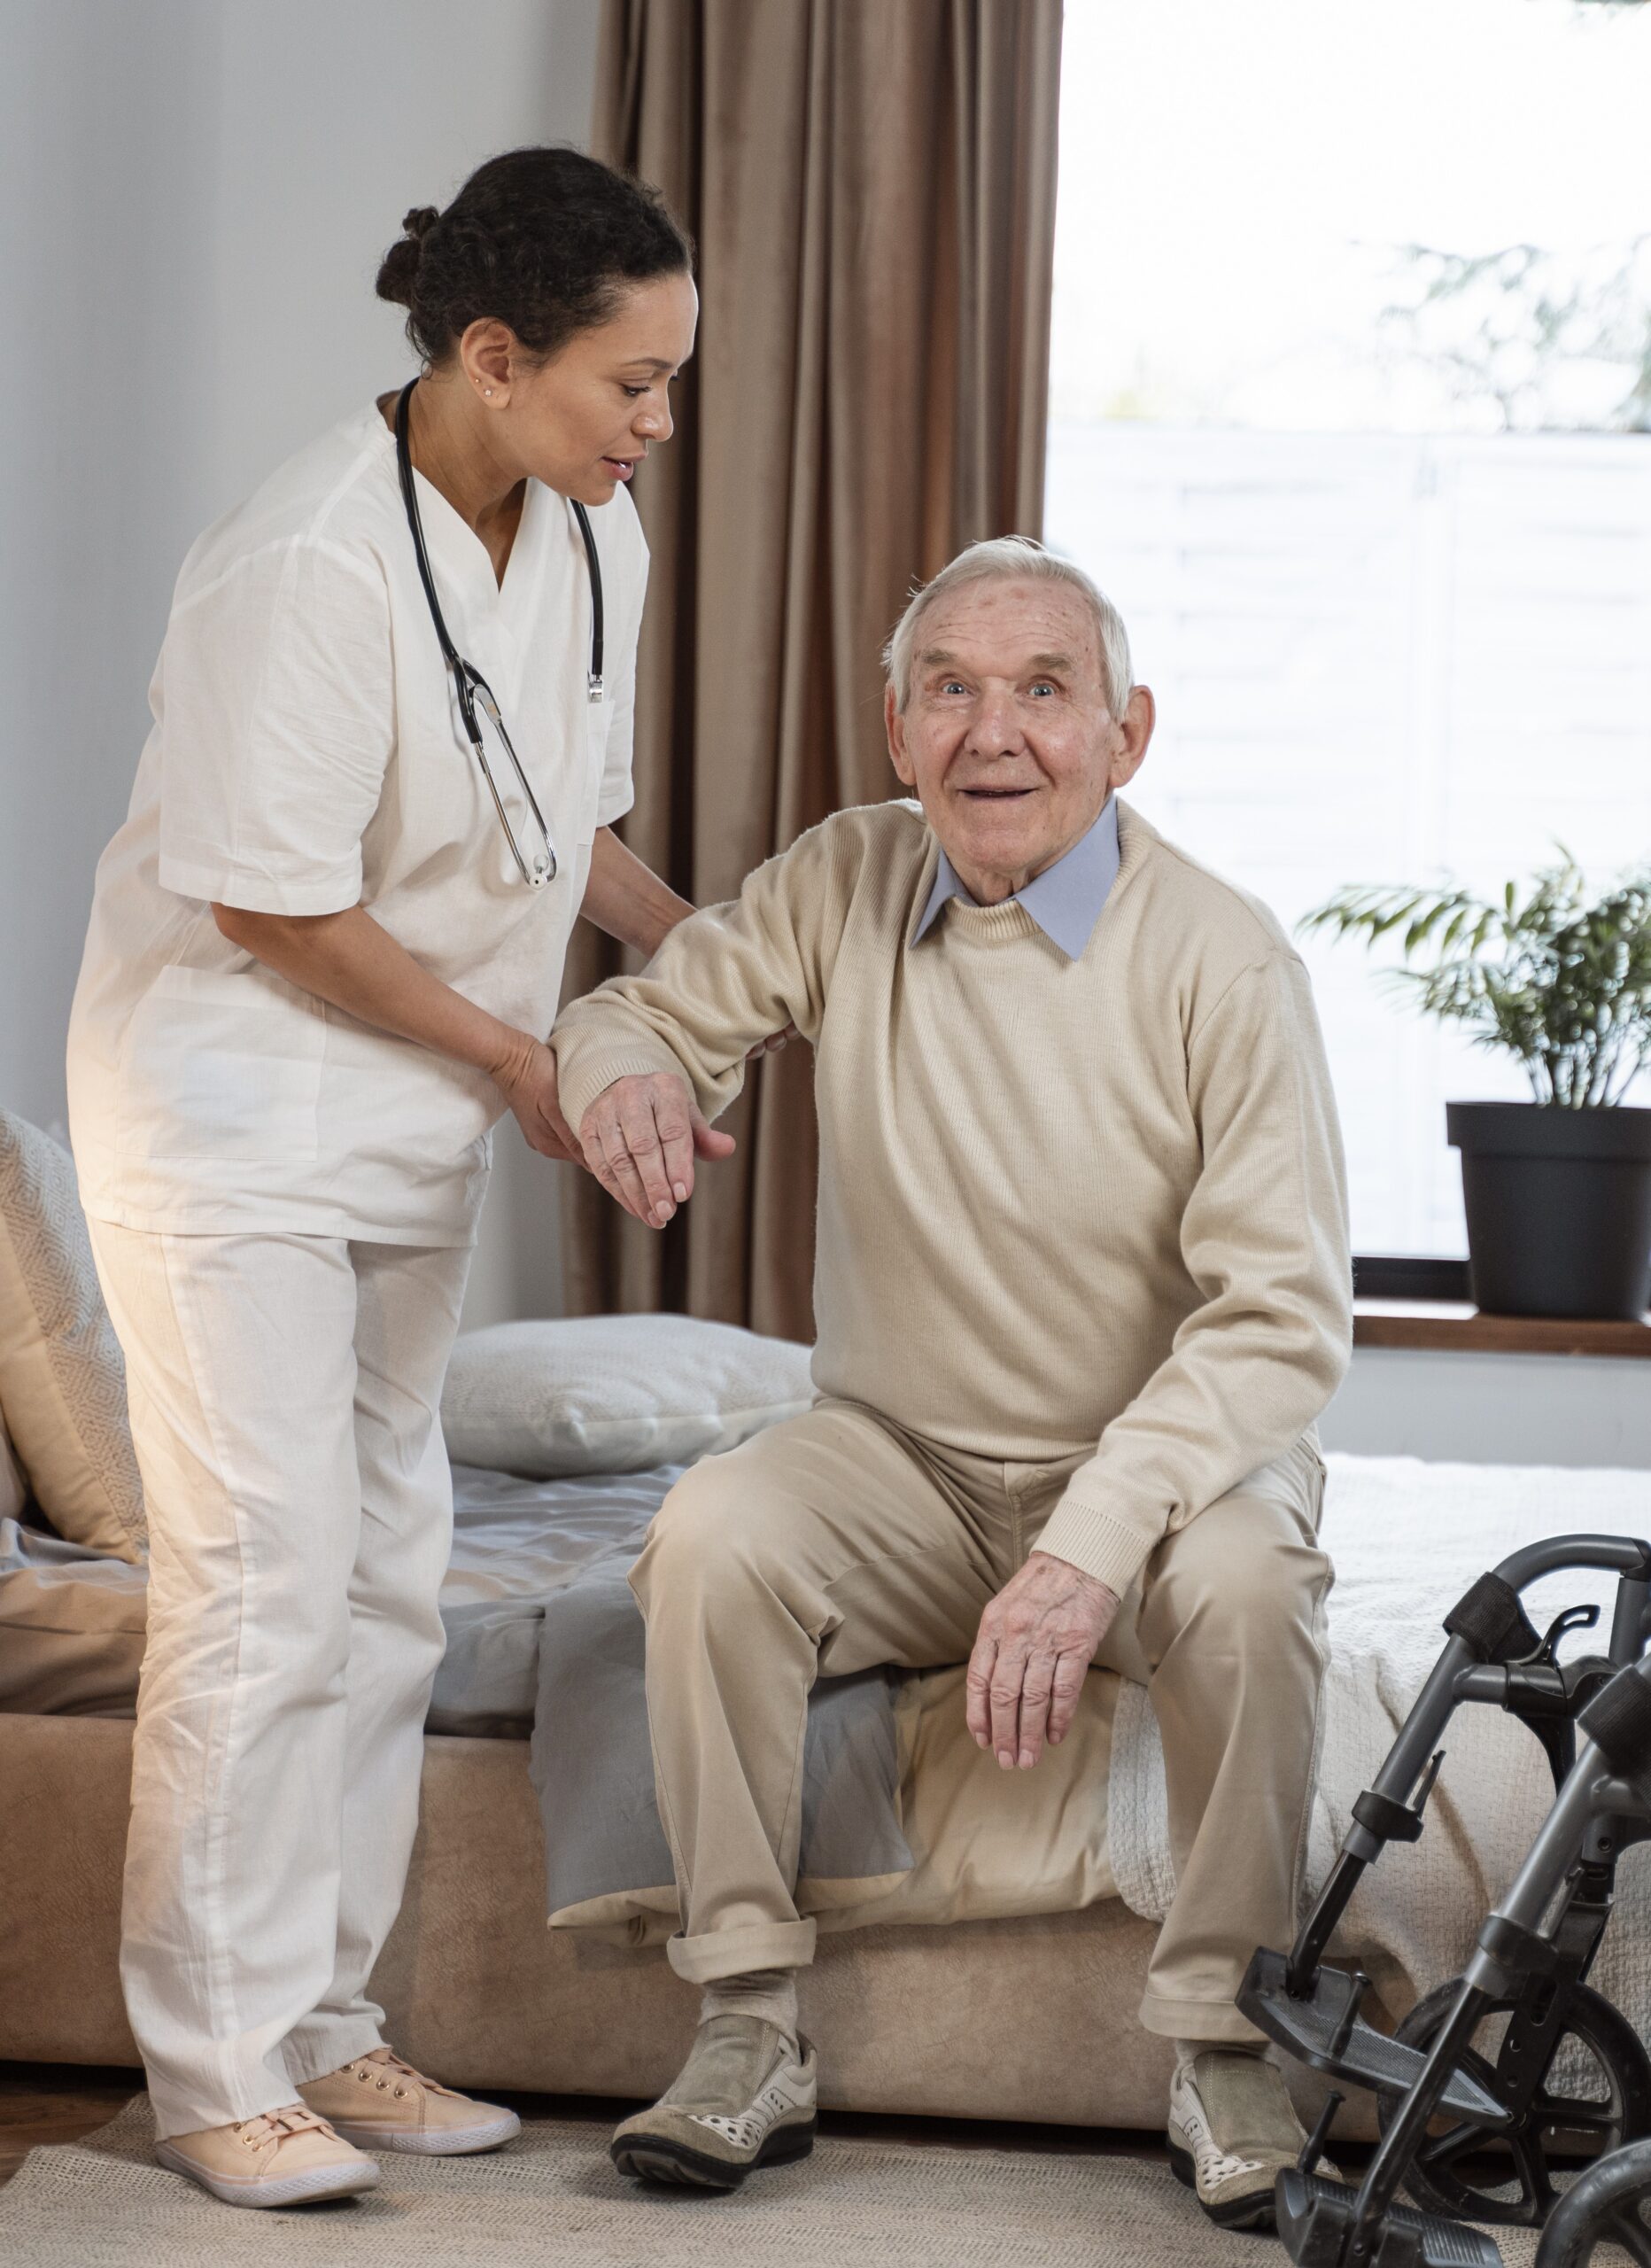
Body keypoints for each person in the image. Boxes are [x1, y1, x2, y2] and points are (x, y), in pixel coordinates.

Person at [64, 145, 725, 2210]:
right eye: (632, 382)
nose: (660, 424)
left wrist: (707, 964)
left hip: (410, 1115)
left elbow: (564, 830)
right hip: (237, 1110)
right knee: (259, 1582)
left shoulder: (584, 527)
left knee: (384, 1574)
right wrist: (530, 1058)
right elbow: (276, 910)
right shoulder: (305, 557)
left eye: (673, 380)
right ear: (492, 354)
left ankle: (328, 2029)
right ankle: (207, 2062)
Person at [550, 538, 1354, 2227]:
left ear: (1127, 732)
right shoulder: (844, 879)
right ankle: (750, 2020)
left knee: (1254, 1583)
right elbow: (654, 1011)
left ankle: (1221, 2035)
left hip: (1158, 1472)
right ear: (899, 729)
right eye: (953, 690)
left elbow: (1281, 1317)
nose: (997, 733)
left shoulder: (1223, 958)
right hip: (900, 1458)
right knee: (710, 1534)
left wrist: (1085, 1550)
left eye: (1044, 691)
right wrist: (621, 1071)